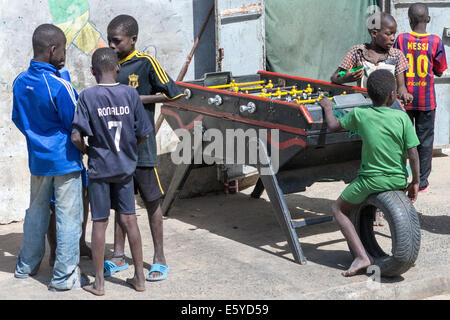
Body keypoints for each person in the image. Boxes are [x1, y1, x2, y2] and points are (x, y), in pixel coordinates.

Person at [318, 69, 421, 277]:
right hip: (398, 179)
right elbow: (413, 154)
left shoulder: (360, 114)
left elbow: (333, 126)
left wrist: (328, 107)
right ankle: (404, 254)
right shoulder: (402, 118)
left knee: (338, 208)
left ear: (367, 94)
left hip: (370, 181)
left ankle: (361, 256)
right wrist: (415, 182)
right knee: (369, 204)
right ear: (393, 95)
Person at [105, 14, 182, 281]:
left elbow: (174, 93)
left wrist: (138, 98)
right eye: (109, 41)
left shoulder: (146, 63)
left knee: (151, 203)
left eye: (117, 41)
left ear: (133, 39)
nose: (112, 46)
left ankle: (159, 258)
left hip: (142, 149)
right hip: (118, 151)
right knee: (120, 206)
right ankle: (117, 255)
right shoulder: (109, 64)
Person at [71, 47, 153, 296]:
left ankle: (99, 283)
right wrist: (128, 150)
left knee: (99, 222)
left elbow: (75, 136)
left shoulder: (87, 97)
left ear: (92, 71)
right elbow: (143, 133)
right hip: (125, 168)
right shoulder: (130, 94)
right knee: (129, 219)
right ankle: (139, 278)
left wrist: (87, 150)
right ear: (118, 68)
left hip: (99, 169)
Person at [12, 24, 84, 291]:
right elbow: (75, 122)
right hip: (64, 160)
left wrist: (37, 138)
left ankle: (25, 266)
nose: (65, 55)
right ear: (53, 49)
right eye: (63, 49)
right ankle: (64, 278)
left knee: (36, 213)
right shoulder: (58, 84)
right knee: (69, 217)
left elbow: (18, 119)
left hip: (38, 160)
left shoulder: (20, 81)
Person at [394, 3, 448, 193]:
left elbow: (395, 64)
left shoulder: (401, 39)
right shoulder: (435, 41)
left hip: (404, 101)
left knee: (401, 140)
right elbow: (440, 70)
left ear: (409, 20)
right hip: (426, 101)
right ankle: (422, 181)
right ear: (429, 19)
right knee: (425, 141)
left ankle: (399, 178)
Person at [47, 68, 92, 267]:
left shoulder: (60, 78)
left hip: (59, 156)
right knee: (58, 205)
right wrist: (85, 148)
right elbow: (75, 125)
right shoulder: (56, 83)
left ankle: (75, 245)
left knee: (77, 200)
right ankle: (57, 250)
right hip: (66, 155)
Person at [330, 12, 413, 105]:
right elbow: (335, 77)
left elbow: (401, 87)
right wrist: (345, 78)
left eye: (394, 34)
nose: (393, 38)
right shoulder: (357, 52)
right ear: (374, 33)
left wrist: (404, 94)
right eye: (389, 34)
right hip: (364, 106)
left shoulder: (396, 55)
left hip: (388, 109)